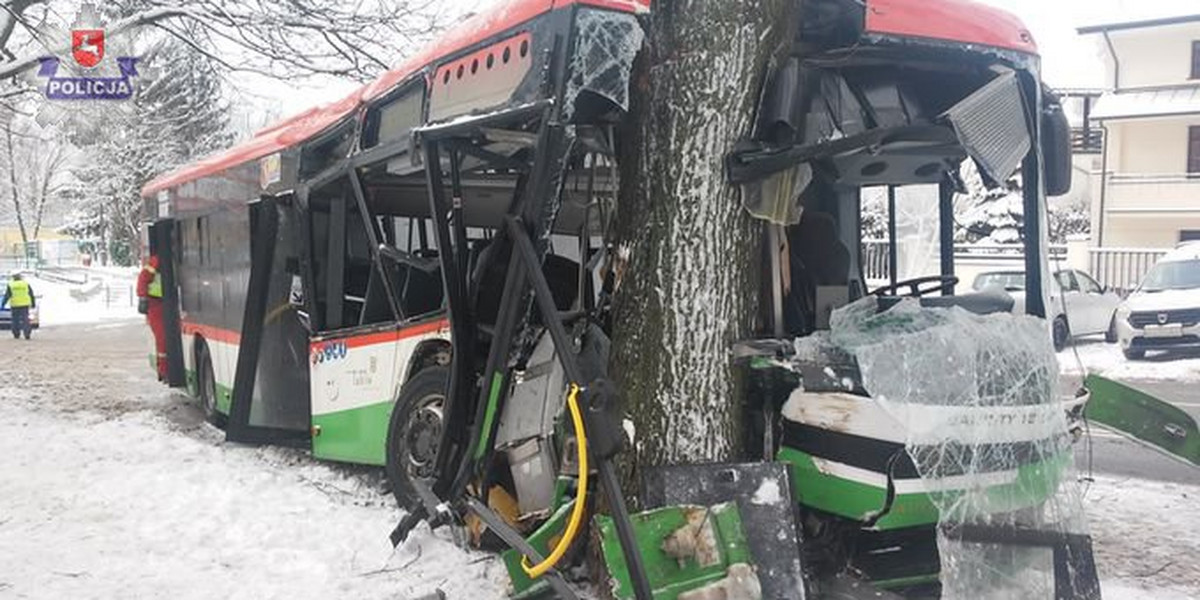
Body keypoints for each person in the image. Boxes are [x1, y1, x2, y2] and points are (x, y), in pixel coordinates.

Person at [137, 255, 166, 380]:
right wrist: (143, 298)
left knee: (163, 339)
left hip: (166, 303)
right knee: (162, 338)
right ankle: (164, 370)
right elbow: (143, 278)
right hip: (155, 304)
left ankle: (164, 369)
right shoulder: (156, 261)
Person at [2, 272, 36, 340]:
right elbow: (31, 294)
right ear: (20, 277)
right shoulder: (25, 284)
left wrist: (3, 304)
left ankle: (16, 334)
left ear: (13, 278)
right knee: (25, 319)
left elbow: (7, 295)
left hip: (15, 304)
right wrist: (33, 303)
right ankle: (27, 334)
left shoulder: (11, 285)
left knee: (15, 320)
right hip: (24, 304)